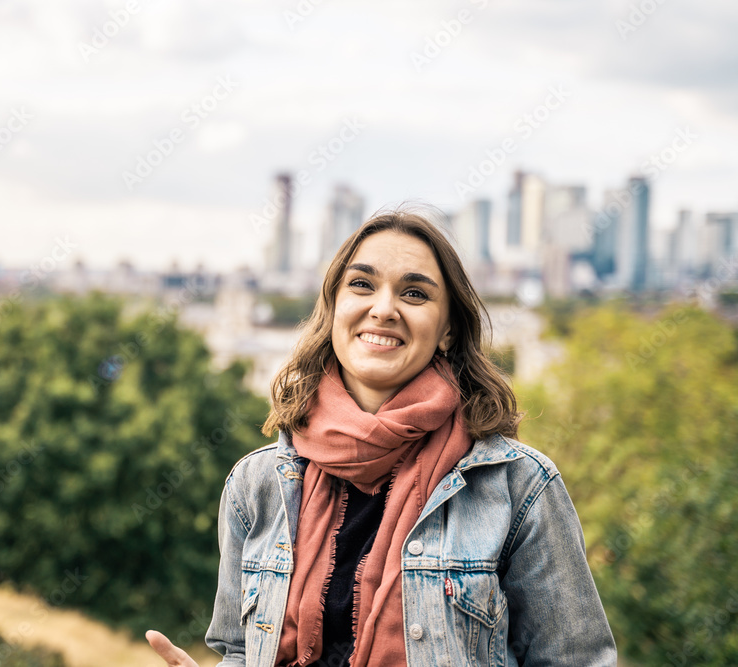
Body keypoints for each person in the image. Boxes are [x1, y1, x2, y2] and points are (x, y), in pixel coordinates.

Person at [146, 206, 617, 666]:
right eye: (362, 285)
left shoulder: (518, 487)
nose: (384, 309)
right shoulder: (256, 484)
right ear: (334, 308)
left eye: (414, 294)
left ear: (448, 328)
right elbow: (242, 650)